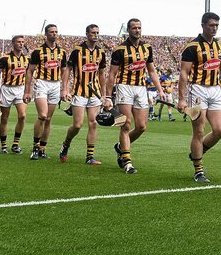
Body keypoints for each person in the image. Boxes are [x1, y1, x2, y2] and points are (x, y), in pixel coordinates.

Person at [177, 12, 221, 183]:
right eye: (211, 25)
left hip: (215, 90)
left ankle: (197, 152)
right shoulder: (192, 47)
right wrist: (181, 99)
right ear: (203, 25)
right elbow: (183, 73)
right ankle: (199, 170)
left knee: (220, 130)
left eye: (217, 25)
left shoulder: (220, 46)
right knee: (199, 130)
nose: (215, 28)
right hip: (197, 90)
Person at [105, 18, 163, 175]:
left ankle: (120, 147)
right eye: (134, 28)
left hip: (141, 88)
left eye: (139, 27)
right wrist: (108, 96)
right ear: (128, 30)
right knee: (126, 124)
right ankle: (127, 161)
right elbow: (112, 74)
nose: (137, 30)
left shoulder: (147, 48)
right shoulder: (120, 49)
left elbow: (151, 70)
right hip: (124, 87)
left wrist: (160, 89)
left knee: (142, 126)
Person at [59, 24, 106, 165]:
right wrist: (65, 89)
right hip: (79, 92)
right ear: (87, 34)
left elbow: (102, 74)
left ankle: (90, 156)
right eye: (93, 32)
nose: (95, 35)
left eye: (97, 32)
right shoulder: (77, 51)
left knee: (93, 123)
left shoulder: (101, 52)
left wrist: (104, 94)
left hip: (95, 93)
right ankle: (66, 144)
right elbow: (67, 69)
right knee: (78, 125)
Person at [24, 24, 66, 160]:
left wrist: (64, 88)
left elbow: (64, 70)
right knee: (42, 115)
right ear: (46, 34)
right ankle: (35, 147)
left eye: (56, 32)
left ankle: (42, 149)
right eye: (51, 32)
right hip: (42, 83)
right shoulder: (38, 51)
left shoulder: (62, 52)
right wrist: (27, 91)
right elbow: (29, 71)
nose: (54, 34)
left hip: (55, 84)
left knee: (48, 119)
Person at [0, 35, 30, 154]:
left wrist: (28, 90)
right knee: (4, 118)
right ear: (13, 43)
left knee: (22, 116)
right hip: (7, 89)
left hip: (20, 89)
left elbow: (28, 75)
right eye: (18, 42)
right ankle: (3, 145)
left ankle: (16, 144)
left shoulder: (26, 59)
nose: (21, 44)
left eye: (22, 42)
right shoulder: (5, 58)